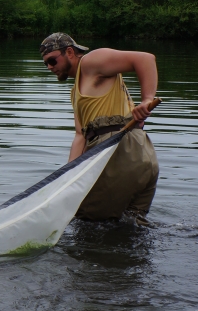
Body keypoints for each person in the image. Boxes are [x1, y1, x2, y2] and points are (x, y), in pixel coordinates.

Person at [40, 33, 159, 221]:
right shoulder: (76, 93)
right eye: (45, 63)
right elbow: (80, 136)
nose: (49, 67)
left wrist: (146, 100)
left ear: (69, 52)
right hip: (143, 155)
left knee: (84, 218)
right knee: (131, 228)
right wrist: (66, 178)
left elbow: (145, 59)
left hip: (115, 151)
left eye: (52, 61)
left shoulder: (90, 62)